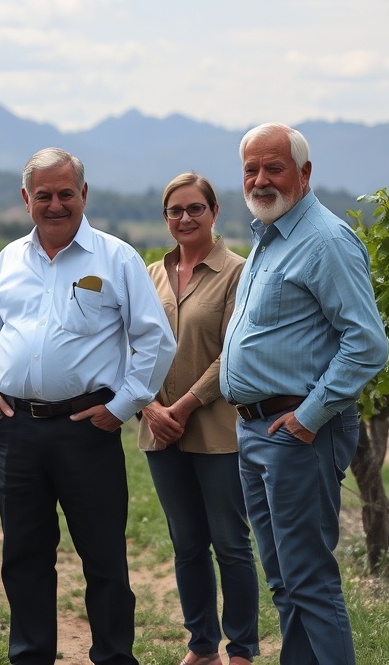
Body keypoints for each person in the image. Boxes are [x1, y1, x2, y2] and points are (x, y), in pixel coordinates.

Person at [0, 147, 177, 665]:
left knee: (104, 559)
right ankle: (31, 655)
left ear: (84, 194)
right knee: (23, 557)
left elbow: (155, 341)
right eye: (44, 195)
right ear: (25, 199)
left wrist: (122, 406)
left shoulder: (116, 258)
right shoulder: (8, 259)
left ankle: (113, 657)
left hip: (89, 429)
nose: (55, 205)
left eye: (65, 194)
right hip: (16, 428)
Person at [220, 123, 388, 665]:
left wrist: (309, 418)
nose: (261, 179)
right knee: (285, 583)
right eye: (252, 169)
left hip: (297, 433)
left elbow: (366, 344)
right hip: (256, 431)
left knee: (310, 582)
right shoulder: (269, 234)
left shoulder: (326, 240)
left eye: (274, 167)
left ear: (304, 173)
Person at [137, 173, 258, 665]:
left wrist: (182, 406)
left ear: (214, 212)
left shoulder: (238, 272)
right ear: (165, 218)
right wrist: (149, 406)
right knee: (186, 544)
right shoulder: (152, 274)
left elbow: (233, 355)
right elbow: (134, 347)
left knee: (230, 543)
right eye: (174, 211)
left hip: (217, 430)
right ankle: (202, 646)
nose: (184, 218)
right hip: (158, 429)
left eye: (195, 209)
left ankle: (243, 650)